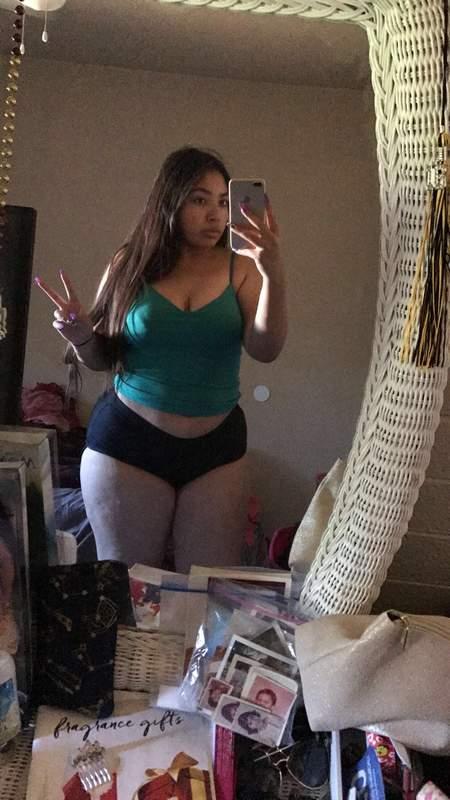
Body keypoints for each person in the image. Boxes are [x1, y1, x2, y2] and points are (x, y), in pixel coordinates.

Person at [35, 146, 287, 571]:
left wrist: (273, 273)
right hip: (128, 445)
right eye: (199, 200)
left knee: (206, 591)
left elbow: (266, 349)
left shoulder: (242, 267)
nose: (215, 215)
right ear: (170, 201)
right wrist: (81, 336)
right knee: (130, 589)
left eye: (223, 202)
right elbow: (101, 358)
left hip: (216, 451)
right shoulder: (131, 262)